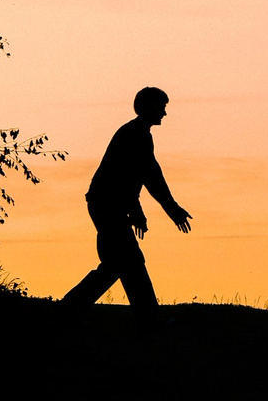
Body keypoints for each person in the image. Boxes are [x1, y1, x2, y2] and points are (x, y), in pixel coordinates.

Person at [60, 87, 191, 322]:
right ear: (148, 107)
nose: (164, 113)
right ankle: (148, 319)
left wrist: (147, 211)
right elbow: (139, 177)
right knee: (129, 260)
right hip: (108, 205)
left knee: (117, 263)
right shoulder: (134, 134)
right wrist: (165, 210)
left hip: (109, 204)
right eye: (161, 107)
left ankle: (71, 307)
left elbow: (142, 177)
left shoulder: (139, 133)